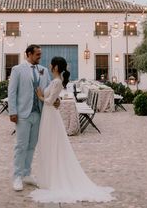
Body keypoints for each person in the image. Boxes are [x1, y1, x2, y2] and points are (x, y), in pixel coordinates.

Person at [30, 56, 114, 203]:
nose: (49, 66)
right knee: (47, 144)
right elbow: (53, 98)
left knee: (52, 145)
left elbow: (49, 101)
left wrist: (40, 96)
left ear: (56, 67)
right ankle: (49, 176)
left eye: (51, 64)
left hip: (50, 116)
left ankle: (55, 178)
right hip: (48, 116)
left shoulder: (57, 82)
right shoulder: (54, 81)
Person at [8, 44, 53, 191]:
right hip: (22, 114)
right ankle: (17, 177)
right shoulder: (17, 70)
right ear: (28, 54)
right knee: (21, 146)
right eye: (37, 54)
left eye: (40, 54)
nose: (40, 57)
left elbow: (47, 89)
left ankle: (27, 174)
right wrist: (12, 112)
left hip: (39, 114)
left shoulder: (44, 71)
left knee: (31, 146)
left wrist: (55, 98)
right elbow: (12, 92)